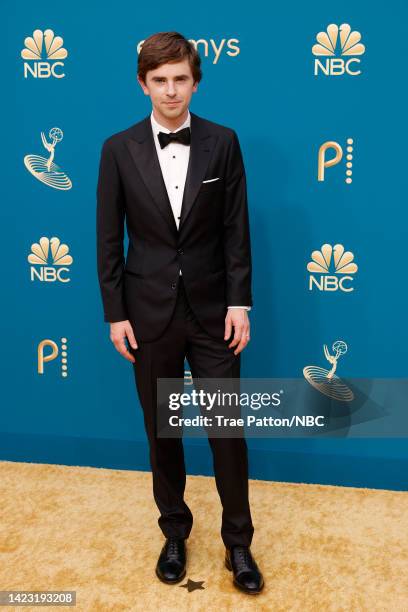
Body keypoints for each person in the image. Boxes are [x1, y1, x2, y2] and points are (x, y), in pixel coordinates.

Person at [96, 31, 264, 595]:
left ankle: (238, 543)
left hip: (215, 312)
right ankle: (174, 531)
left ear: (195, 81)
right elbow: (107, 240)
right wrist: (116, 313)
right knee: (161, 433)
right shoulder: (117, 149)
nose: (171, 91)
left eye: (181, 79)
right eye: (160, 80)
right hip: (148, 313)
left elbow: (235, 229)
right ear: (143, 83)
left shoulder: (223, 141)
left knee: (226, 432)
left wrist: (240, 301)